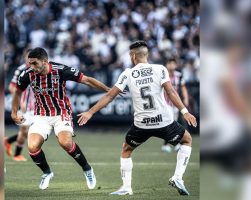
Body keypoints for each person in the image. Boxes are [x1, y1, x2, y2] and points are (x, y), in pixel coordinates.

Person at [78, 40, 197, 196]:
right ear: (146, 55)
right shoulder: (160, 69)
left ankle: (127, 187)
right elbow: (171, 92)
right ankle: (177, 177)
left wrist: (90, 112)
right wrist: (184, 111)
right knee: (187, 140)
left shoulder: (128, 73)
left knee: (126, 150)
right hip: (164, 121)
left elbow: (109, 96)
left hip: (142, 124)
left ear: (133, 56)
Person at [11, 47, 111, 190]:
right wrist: (14, 113)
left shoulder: (60, 70)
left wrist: (108, 90)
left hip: (61, 112)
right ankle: (47, 173)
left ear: (45, 61)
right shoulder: (27, 74)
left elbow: (87, 80)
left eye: (34, 63)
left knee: (65, 142)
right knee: (32, 147)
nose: (31, 67)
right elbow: (17, 92)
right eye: (29, 63)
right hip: (41, 115)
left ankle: (87, 169)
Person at [5, 49, 34, 161]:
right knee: (26, 131)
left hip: (36, 105)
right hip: (25, 105)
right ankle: (17, 153)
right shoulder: (21, 69)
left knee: (25, 131)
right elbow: (11, 87)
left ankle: (9, 143)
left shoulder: (39, 69)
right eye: (28, 57)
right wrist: (21, 101)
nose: (30, 60)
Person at [162, 58, 189, 153]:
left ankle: (169, 144)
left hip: (175, 104)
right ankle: (173, 144)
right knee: (170, 123)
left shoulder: (179, 76)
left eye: (173, 64)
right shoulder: (162, 75)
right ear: (166, 65)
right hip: (164, 103)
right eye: (169, 63)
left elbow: (183, 88)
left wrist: (185, 99)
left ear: (176, 65)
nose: (171, 65)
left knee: (173, 124)